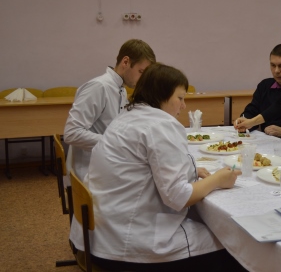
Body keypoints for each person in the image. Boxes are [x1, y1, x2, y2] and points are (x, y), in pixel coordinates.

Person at [70, 63, 245, 271]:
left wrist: (191, 169)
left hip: (99, 236)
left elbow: (142, 165)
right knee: (235, 243)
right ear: (161, 96)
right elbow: (178, 197)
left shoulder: (126, 117)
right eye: (179, 98)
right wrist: (217, 179)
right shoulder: (161, 125)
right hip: (130, 246)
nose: (183, 106)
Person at [64, 39, 156, 181]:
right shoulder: (99, 87)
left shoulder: (121, 89)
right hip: (90, 173)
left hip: (108, 164)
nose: (143, 79)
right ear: (125, 62)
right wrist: (115, 142)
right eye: (141, 71)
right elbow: (71, 133)